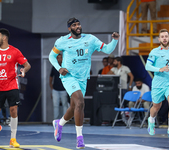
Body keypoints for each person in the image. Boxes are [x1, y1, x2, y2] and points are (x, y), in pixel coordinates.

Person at [49, 17, 119, 149]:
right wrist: (59, 68)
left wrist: (114, 40)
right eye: (74, 25)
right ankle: (79, 138)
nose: (78, 26)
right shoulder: (62, 41)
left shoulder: (90, 39)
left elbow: (108, 50)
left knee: (74, 107)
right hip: (69, 77)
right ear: (69, 28)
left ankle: (60, 123)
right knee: (80, 102)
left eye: (79, 24)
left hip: (82, 78)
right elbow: (51, 56)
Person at [0, 28, 31, 147]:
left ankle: (13, 139)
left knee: (13, 111)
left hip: (12, 85)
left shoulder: (15, 51)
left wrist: (24, 70)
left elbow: (27, 65)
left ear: (4, 38)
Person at [145, 29, 169, 140]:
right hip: (158, 84)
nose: (164, 38)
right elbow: (147, 66)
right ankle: (151, 121)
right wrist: (159, 69)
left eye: (166, 36)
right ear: (159, 39)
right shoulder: (154, 52)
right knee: (156, 107)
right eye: (162, 36)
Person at [49, 53, 68, 119]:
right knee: (55, 105)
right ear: (56, 59)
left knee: (65, 105)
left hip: (64, 89)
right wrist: (51, 88)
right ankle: (56, 119)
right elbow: (51, 77)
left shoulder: (65, 67)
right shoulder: (54, 67)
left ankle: (65, 120)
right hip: (55, 89)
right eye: (58, 58)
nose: (59, 59)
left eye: (61, 58)